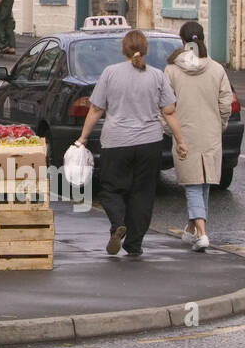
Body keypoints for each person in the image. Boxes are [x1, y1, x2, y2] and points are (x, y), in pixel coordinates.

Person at [74, 29, 188, 256]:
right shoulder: (157, 75)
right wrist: (181, 141)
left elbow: (96, 109)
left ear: (123, 49)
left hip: (116, 142)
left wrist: (83, 138)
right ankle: (134, 243)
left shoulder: (110, 73)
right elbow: (170, 112)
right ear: (145, 49)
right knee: (143, 193)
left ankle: (118, 224)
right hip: (149, 144)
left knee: (111, 189)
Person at [164, 21, 233, 252]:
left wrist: (169, 129)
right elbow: (226, 102)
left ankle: (202, 234)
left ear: (182, 41)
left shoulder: (172, 70)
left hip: (184, 133)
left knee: (193, 184)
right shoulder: (217, 69)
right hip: (211, 132)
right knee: (203, 184)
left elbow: (165, 104)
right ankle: (191, 230)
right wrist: (220, 124)